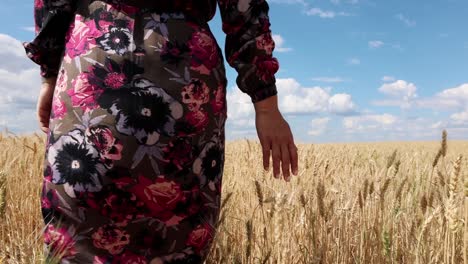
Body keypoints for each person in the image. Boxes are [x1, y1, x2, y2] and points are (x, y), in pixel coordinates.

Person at [23, 0, 299, 262]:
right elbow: (245, 8)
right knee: (177, 238)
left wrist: (49, 72)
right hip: (186, 69)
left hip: (93, 57)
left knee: (78, 242)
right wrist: (265, 104)